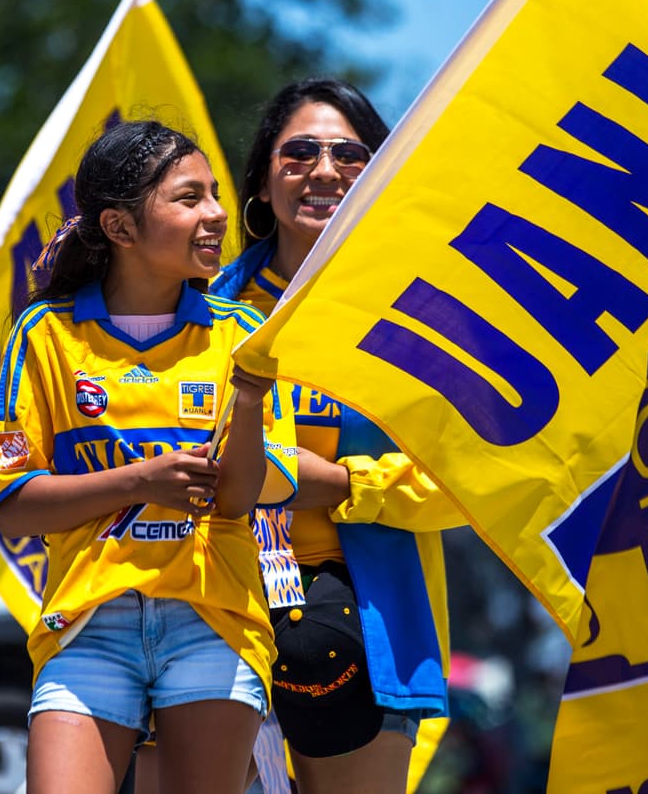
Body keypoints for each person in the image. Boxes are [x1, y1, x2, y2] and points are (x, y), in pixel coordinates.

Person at [0, 120, 297, 794]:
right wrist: (141, 479)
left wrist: (247, 395)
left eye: (214, 194)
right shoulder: (46, 334)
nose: (216, 213)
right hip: (87, 625)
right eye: (189, 198)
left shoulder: (243, 334)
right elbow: (10, 506)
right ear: (120, 228)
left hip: (214, 620)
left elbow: (240, 499)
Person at [210, 78, 467, 794]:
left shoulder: (419, 316)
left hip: (366, 625)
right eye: (299, 152)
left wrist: (344, 485)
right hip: (214, 615)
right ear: (262, 180)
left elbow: (467, 477)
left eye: (350, 155)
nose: (324, 170)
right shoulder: (203, 310)